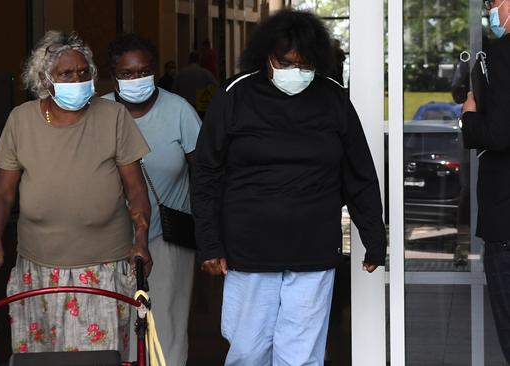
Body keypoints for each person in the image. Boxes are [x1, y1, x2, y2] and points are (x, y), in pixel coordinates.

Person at [192, 10, 386, 366]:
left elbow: (359, 173)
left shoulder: (332, 98)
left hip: (312, 248)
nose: (296, 72)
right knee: (247, 351)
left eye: (305, 64)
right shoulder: (235, 94)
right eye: (286, 62)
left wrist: (374, 237)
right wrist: (209, 242)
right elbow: (206, 173)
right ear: (266, 55)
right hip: (248, 249)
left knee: (301, 356)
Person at [0, 30, 152, 357]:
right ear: (44, 78)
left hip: (103, 269)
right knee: (41, 360)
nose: (77, 79)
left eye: (83, 72)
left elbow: (136, 188)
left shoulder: (114, 117)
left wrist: (141, 238)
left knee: (100, 361)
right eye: (66, 74)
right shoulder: (21, 120)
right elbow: (2, 193)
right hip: (38, 270)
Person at [102, 33, 201, 366]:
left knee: (168, 324)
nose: (136, 79)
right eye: (127, 74)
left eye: (143, 71)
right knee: (118, 322)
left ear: (156, 70)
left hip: (168, 237)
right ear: (113, 74)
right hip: (110, 241)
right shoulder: (98, 113)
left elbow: (203, 174)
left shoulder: (179, 111)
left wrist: (211, 235)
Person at [460, 0, 510, 361]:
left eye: (495, 2)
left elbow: (499, 134)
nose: (492, 9)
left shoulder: (503, 53)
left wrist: (469, 118)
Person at [172, 51, 218, 116]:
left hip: (184, 105)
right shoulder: (205, 73)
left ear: (189, 60)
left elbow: (174, 90)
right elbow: (216, 86)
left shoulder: (181, 73)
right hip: (200, 105)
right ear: (199, 60)